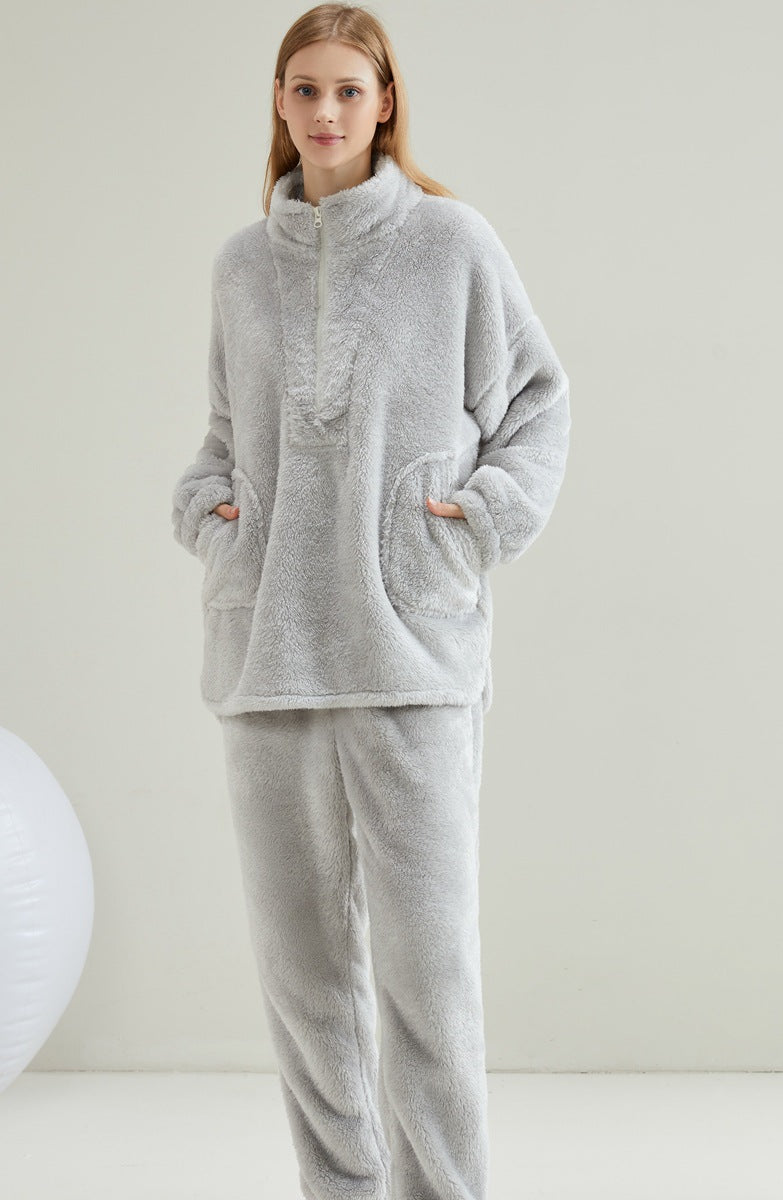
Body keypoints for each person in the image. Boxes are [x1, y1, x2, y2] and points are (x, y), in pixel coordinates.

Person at [170, 6, 571, 1200]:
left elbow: (537, 403)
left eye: (349, 89)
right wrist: (207, 514)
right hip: (267, 659)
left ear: (385, 100)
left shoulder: (451, 245)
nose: (326, 111)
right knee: (304, 987)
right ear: (278, 101)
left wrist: (474, 520)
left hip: (410, 654)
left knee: (427, 981)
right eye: (304, 88)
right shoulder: (241, 268)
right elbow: (220, 440)